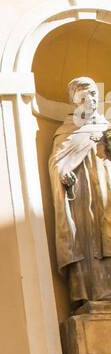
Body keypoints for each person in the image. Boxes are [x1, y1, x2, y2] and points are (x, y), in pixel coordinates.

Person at [49, 76, 111, 306]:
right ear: (75, 100)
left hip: (106, 188)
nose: (91, 99)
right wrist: (64, 174)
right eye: (84, 96)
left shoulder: (106, 127)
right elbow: (57, 163)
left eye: (93, 94)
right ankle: (94, 292)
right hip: (83, 197)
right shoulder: (67, 130)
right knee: (87, 239)